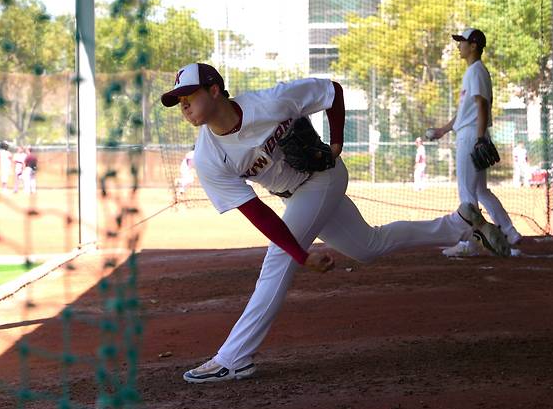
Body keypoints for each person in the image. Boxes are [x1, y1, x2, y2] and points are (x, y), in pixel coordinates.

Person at [161, 62, 510, 384]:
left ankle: (233, 357)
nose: (183, 106)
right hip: (294, 196)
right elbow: (258, 212)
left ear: (215, 91)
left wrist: (337, 141)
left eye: (188, 96)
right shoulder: (209, 157)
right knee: (368, 247)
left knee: (277, 260)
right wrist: (302, 254)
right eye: (178, 101)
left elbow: (333, 91)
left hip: (323, 177)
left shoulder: (271, 101)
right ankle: (458, 223)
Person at [427, 28, 523, 257]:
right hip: (471, 133)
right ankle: (509, 232)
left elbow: (482, 105)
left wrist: (479, 138)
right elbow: (467, 111)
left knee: (467, 193)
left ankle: (470, 243)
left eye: (462, 41)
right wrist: (443, 130)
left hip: (471, 136)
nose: (458, 45)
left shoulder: (475, 71)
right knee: (480, 190)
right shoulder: (474, 71)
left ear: (473, 46)